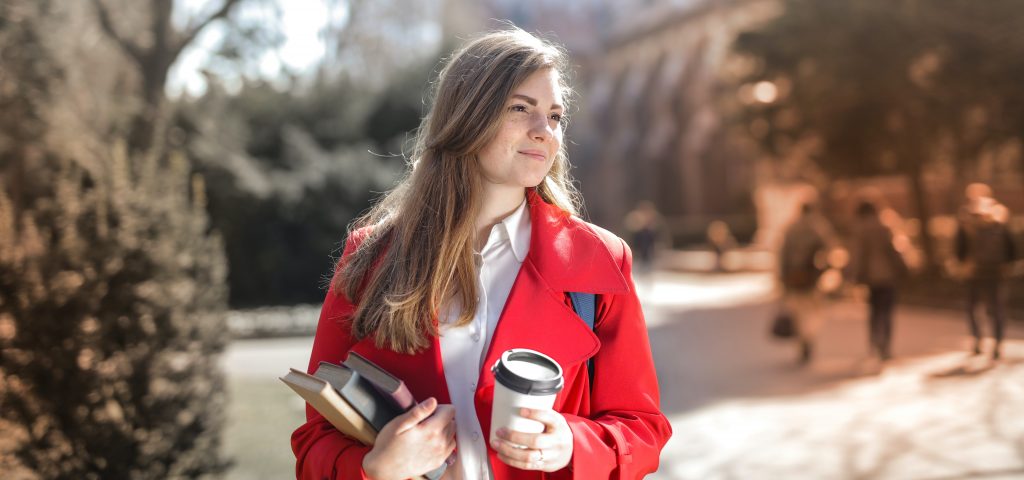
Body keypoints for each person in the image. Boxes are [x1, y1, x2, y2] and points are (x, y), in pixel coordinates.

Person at [291, 29, 672, 480]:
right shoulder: (371, 258)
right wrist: (373, 468)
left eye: (555, 115)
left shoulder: (600, 260)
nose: (544, 131)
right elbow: (315, 439)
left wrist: (573, 442)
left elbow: (643, 429)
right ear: (466, 117)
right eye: (520, 108)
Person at [954, 188, 1017, 360]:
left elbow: (959, 250)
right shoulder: (999, 217)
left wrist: (961, 264)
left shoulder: (966, 220)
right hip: (996, 272)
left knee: (972, 308)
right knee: (997, 309)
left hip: (973, 272)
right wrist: (1007, 265)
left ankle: (977, 340)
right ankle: (997, 343)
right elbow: (1011, 246)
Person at [846, 200, 909, 361]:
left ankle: (874, 341)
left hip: (871, 278)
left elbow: (858, 255)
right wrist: (903, 268)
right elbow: (895, 251)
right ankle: (886, 344)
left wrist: (854, 275)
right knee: (887, 311)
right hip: (888, 276)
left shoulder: (860, 230)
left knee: (874, 311)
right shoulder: (885, 226)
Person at [778, 202, 832, 364]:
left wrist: (783, 277)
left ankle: (802, 340)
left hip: (793, 277)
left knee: (798, 310)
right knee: (811, 310)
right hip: (811, 277)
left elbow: (783, 255)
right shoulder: (818, 228)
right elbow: (829, 250)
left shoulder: (791, 229)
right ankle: (808, 338)